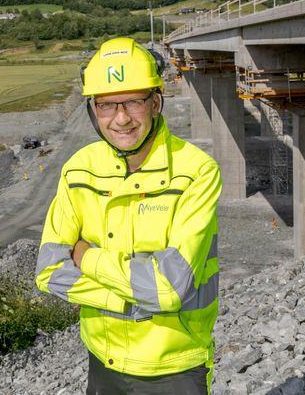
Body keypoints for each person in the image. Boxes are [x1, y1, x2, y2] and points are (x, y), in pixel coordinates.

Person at [36, 37, 222, 394]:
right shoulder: (79, 171)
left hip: (175, 366)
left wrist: (86, 256)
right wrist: (127, 302)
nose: (121, 119)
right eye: (106, 105)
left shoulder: (196, 172)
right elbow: (49, 271)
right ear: (92, 109)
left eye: (133, 102)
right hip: (103, 360)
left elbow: (168, 289)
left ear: (155, 103)